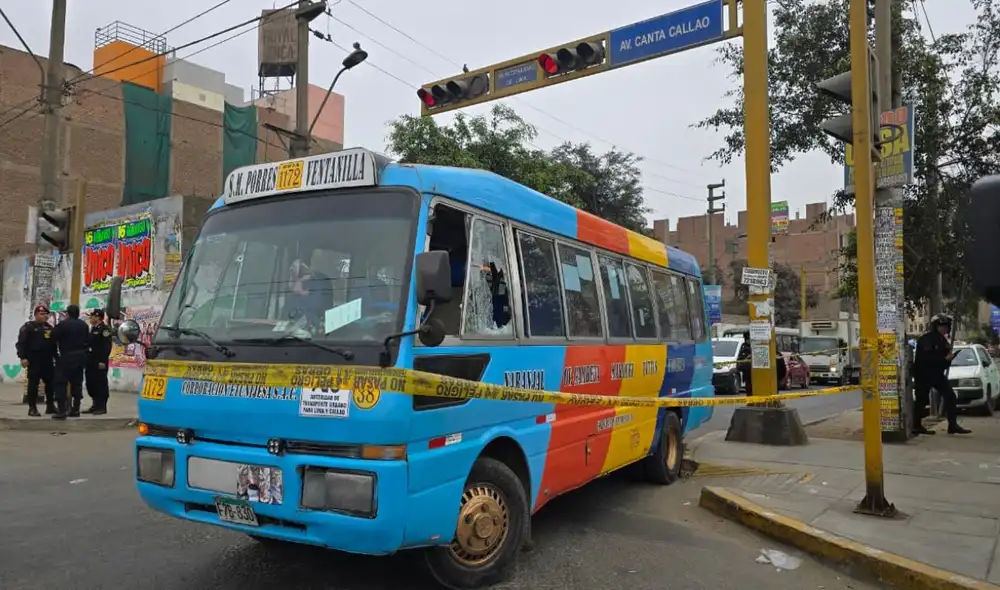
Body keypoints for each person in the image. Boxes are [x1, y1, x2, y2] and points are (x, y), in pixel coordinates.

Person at [913, 313, 970, 435]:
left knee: (950, 396)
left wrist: (948, 359)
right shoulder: (927, 339)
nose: (944, 328)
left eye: (946, 326)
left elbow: (943, 364)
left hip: (936, 374)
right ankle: (915, 425)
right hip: (923, 374)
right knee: (921, 400)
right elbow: (926, 360)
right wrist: (944, 360)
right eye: (941, 325)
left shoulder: (943, 341)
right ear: (935, 326)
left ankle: (952, 425)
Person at [16, 305, 57, 416]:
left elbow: (53, 345)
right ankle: (32, 408)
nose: (44, 316)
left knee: (50, 383)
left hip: (47, 360)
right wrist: (22, 357)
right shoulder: (28, 327)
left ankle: (50, 406)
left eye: (45, 314)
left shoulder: (49, 328)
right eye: (41, 314)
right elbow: (21, 344)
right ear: (35, 315)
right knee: (33, 384)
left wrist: (56, 358)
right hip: (34, 361)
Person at [51, 304, 91, 420]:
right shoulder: (83, 325)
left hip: (66, 357)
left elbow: (52, 337)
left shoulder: (62, 325)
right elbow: (87, 341)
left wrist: (55, 354)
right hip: (80, 357)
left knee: (61, 383)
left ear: (67, 313)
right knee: (77, 383)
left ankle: (61, 410)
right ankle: (76, 409)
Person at [284, 259, 330, 331]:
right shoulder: (290, 302)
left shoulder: (319, 286)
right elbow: (284, 321)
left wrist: (301, 292)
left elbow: (313, 318)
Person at [84, 309, 113, 415]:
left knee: (100, 384)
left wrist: (102, 361)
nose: (90, 319)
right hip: (91, 361)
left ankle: (102, 406)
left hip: (100, 362)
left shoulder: (104, 329)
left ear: (97, 317)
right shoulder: (93, 329)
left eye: (91, 317)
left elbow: (106, 346)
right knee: (91, 384)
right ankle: (95, 404)